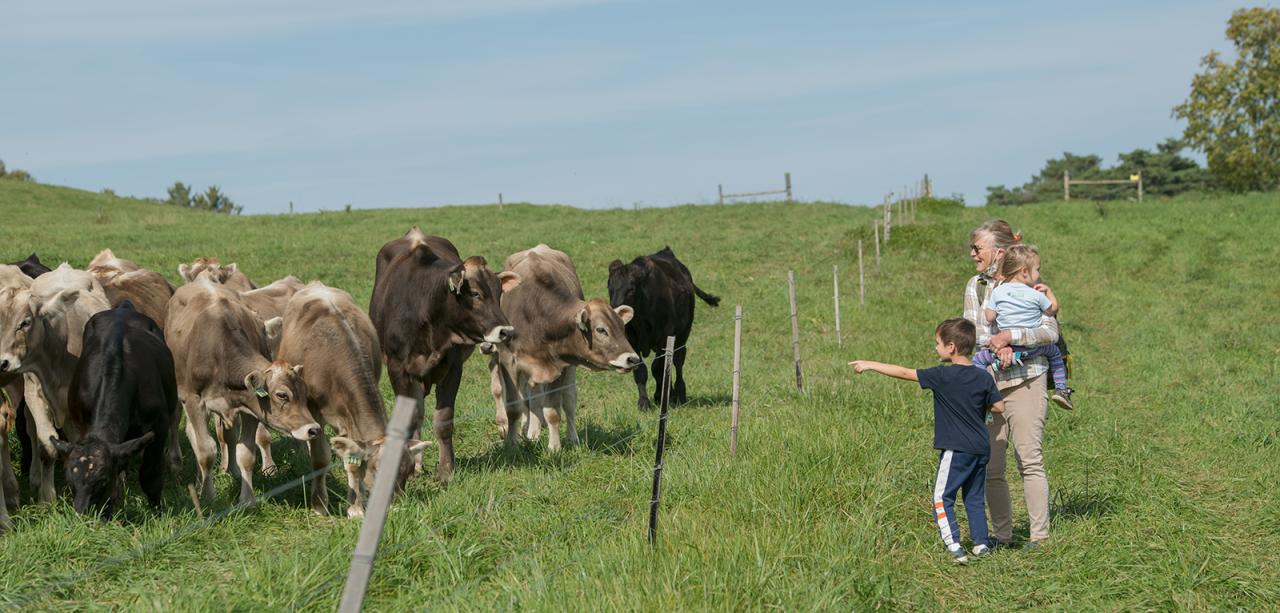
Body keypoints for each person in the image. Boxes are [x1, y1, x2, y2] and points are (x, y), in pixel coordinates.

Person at [850, 318, 1005, 564]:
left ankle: (954, 546)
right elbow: (999, 406)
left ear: (951, 347)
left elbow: (903, 372)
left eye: (938, 343)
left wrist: (869, 364)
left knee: (942, 498)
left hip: (956, 449)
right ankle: (981, 543)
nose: (936, 348)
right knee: (974, 497)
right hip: (980, 447)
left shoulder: (942, 375)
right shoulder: (983, 377)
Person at [964, 219, 1057, 549]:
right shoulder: (975, 286)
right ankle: (1003, 536)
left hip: (1027, 378)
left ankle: (1039, 537)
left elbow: (1050, 332)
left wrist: (1012, 336)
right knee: (992, 464)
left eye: (978, 248)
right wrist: (997, 344)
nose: (972, 254)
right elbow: (973, 334)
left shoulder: (1031, 282)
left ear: (998, 252)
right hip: (989, 383)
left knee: (1028, 457)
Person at [971, 244, 1074, 410]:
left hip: (1003, 350)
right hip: (1031, 350)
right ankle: (1061, 389)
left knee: (978, 360)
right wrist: (1049, 292)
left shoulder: (997, 292)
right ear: (1025, 272)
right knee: (1055, 353)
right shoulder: (1036, 294)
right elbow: (1053, 309)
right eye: (1037, 270)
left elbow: (989, 317)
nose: (1039, 274)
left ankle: (982, 392)